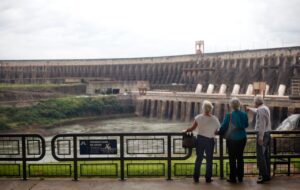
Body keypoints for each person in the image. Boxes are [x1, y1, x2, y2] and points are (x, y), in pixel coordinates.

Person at [185, 100, 220, 183]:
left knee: (199, 159)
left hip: (200, 139)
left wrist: (186, 130)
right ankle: (208, 178)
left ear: (203, 108)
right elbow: (217, 131)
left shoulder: (198, 117)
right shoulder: (214, 119)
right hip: (210, 140)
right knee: (209, 159)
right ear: (211, 109)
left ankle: (196, 177)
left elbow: (192, 128)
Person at [218, 97, 249, 183]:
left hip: (232, 139)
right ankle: (240, 177)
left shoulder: (229, 115)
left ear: (231, 106)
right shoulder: (244, 114)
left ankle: (233, 178)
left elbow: (223, 127)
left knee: (232, 158)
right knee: (240, 157)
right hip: (242, 138)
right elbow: (246, 125)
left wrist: (218, 132)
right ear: (239, 105)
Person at [246, 96, 271, 184]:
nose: (254, 104)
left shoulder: (261, 110)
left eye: (254, 103)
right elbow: (257, 111)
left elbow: (262, 125)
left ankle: (264, 176)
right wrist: (250, 109)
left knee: (261, 156)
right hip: (267, 133)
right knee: (265, 155)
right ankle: (267, 174)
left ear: (256, 103)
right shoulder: (265, 108)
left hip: (263, 135)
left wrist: (260, 137)